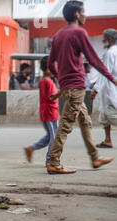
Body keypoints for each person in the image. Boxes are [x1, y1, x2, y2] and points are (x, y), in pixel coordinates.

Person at [46, 0, 117, 174]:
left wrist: (62, 79)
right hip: (76, 87)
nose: (86, 14)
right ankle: (53, 161)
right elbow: (94, 59)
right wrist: (112, 79)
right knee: (66, 124)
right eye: (84, 11)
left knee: (85, 122)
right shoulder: (79, 32)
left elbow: (50, 64)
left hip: (70, 86)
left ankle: (95, 158)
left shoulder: (58, 35)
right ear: (77, 14)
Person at [23, 57, 59, 166]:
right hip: (51, 113)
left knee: (50, 136)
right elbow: (51, 97)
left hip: (46, 112)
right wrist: (61, 93)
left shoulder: (42, 81)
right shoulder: (48, 82)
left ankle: (31, 148)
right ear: (48, 69)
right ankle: (49, 160)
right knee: (54, 137)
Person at [91, 28, 117, 149]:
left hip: (109, 88)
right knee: (104, 115)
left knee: (111, 114)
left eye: (104, 38)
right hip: (110, 87)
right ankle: (107, 140)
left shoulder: (110, 53)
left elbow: (104, 73)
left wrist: (95, 89)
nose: (103, 40)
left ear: (110, 39)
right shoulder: (113, 51)